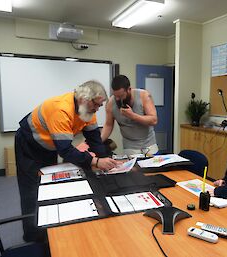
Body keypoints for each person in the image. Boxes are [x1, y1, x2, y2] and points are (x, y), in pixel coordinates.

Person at [15, 80, 118, 242]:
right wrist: (96, 162)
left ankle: (48, 224)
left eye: (100, 106)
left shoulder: (88, 111)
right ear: (84, 99)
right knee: (31, 187)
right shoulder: (61, 110)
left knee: (48, 184)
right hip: (28, 145)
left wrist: (107, 159)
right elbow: (66, 151)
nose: (98, 109)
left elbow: (95, 140)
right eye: (96, 105)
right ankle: (32, 234)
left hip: (49, 146)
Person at [101, 75, 158, 156]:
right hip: (130, 146)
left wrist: (133, 116)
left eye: (120, 96)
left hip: (149, 144)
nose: (117, 99)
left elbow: (154, 120)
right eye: (115, 96)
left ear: (129, 90)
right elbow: (108, 125)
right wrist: (99, 142)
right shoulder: (111, 103)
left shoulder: (144, 96)